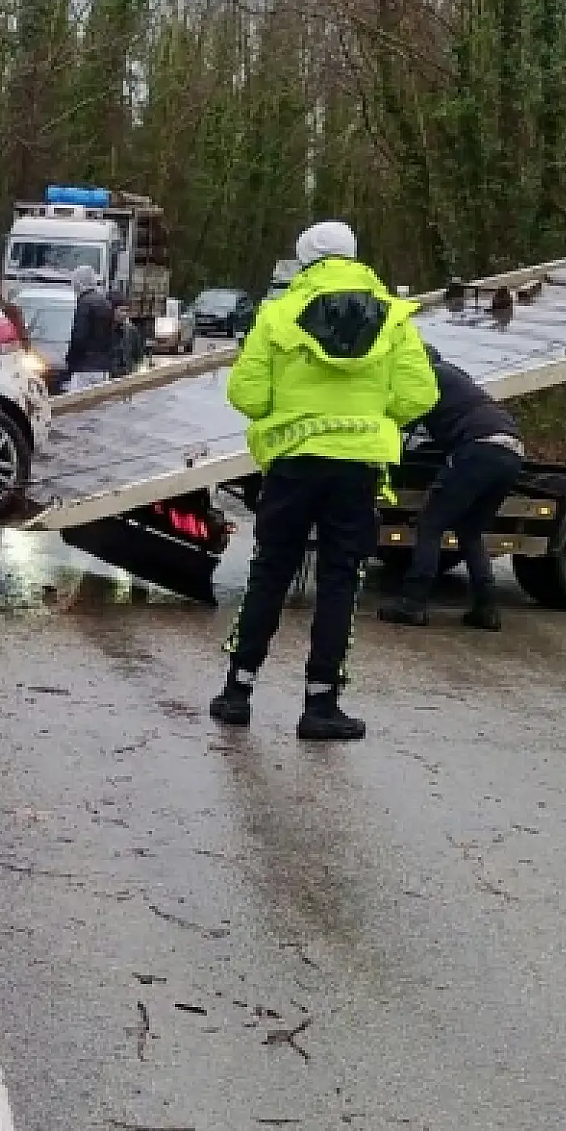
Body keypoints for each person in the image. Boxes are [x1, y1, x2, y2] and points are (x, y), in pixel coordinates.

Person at [209, 220, 438, 741]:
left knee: (269, 574)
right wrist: (371, 415)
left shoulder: (278, 313)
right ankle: (321, 705)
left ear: (303, 260)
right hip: (356, 469)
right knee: (340, 581)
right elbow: (418, 395)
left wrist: (289, 411)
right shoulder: (393, 318)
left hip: (293, 464)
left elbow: (246, 394)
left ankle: (237, 693)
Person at [377, 347, 525, 632]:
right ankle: (487, 608)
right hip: (511, 451)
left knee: (431, 524)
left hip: (477, 449)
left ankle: (412, 604)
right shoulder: (457, 377)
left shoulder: (426, 378)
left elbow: (403, 423)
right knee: (470, 531)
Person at [65, 264, 115, 390]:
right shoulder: (105, 303)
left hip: (84, 366)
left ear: (78, 283)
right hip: (103, 366)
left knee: (77, 400)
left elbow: (79, 336)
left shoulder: (84, 303)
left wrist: (70, 359)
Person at [111, 296, 146, 377]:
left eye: (127, 311)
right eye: (122, 310)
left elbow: (138, 356)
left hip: (128, 375)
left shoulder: (131, 330)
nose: (125, 314)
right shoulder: (103, 332)